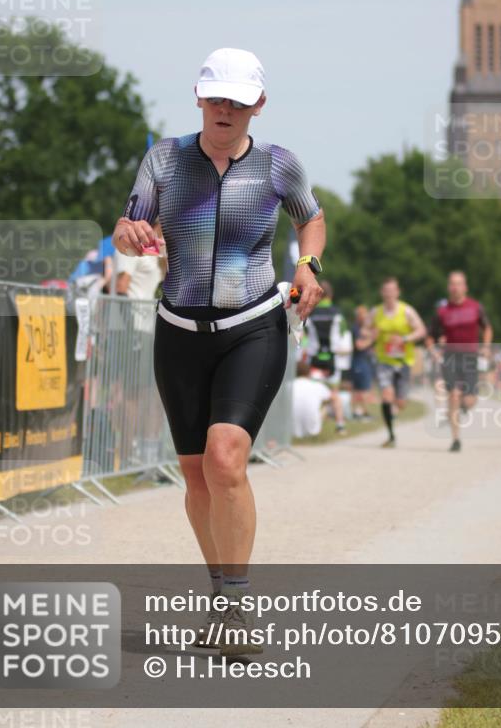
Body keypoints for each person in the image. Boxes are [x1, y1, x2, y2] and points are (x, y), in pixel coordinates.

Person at [112, 47, 325, 654]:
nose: (225, 108)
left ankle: (235, 607)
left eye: (238, 99)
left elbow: (312, 219)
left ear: (258, 103)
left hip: (252, 326)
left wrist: (307, 266)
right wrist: (127, 234)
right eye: (216, 97)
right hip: (179, 330)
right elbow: (132, 229)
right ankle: (220, 591)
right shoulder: (164, 160)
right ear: (199, 98)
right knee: (195, 477)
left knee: (225, 459)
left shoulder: (279, 166)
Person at [428, 271, 493, 453]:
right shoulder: (442, 311)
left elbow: (487, 327)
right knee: (454, 395)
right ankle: (456, 439)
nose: (455, 287)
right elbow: (429, 336)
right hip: (450, 358)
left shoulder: (475, 307)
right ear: (449, 287)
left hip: (471, 357)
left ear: (465, 287)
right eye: (452, 284)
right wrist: (433, 351)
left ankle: (457, 410)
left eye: (459, 284)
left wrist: (486, 346)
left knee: (470, 400)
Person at [368, 277, 426, 448]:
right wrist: (370, 336)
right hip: (383, 360)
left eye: (392, 290)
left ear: (397, 292)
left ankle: (394, 410)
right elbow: (366, 330)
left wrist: (404, 339)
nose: (389, 294)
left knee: (401, 402)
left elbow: (421, 330)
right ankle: (391, 435)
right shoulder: (375, 312)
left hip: (403, 361)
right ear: (382, 293)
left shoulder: (406, 311)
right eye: (386, 290)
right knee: (386, 396)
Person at [305, 280, 351, 435]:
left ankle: (315, 425)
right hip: (332, 359)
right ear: (331, 295)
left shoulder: (310, 313)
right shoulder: (337, 313)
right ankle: (340, 425)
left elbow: (304, 336)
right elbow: (344, 333)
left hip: (315, 359)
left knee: (314, 392)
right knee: (334, 393)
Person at [292, 359, 330, 438]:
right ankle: (340, 426)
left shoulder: (287, 387)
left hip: (290, 431)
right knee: (326, 406)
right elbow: (334, 398)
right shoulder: (317, 386)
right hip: (313, 431)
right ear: (309, 372)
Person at [350, 305, 375, 420]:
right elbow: (359, 345)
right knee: (361, 388)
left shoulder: (362, 329)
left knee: (361, 388)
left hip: (363, 360)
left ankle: (360, 411)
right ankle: (362, 412)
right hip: (358, 360)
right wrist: (371, 339)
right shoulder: (355, 328)